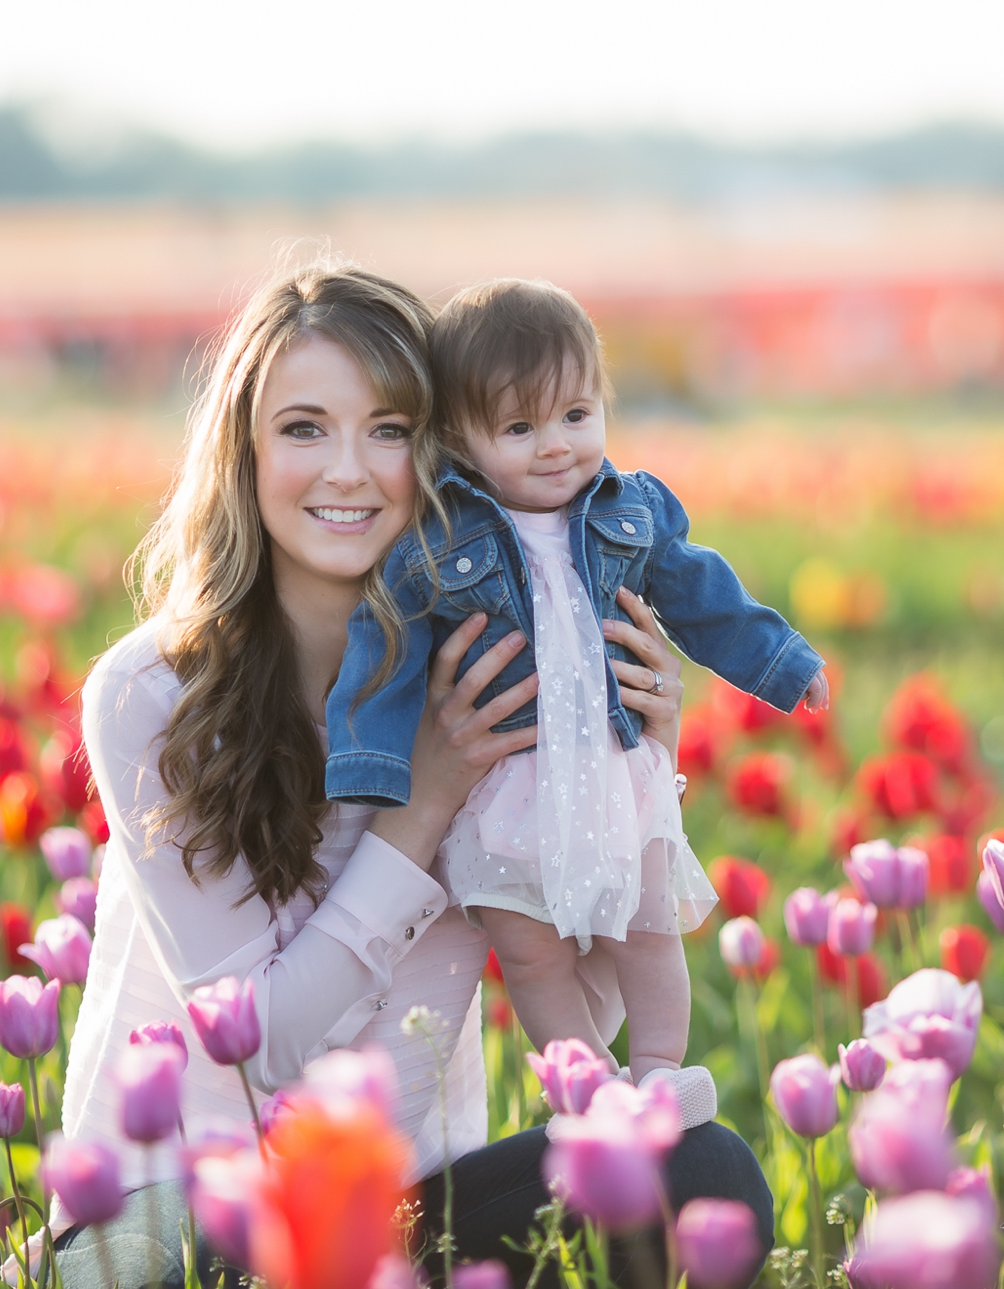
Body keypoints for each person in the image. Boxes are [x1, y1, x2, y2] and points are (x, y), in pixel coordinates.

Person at [56, 261, 773, 1289]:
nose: (347, 468)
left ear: (445, 457)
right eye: (304, 427)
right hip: (178, 1197)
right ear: (244, 451)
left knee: (698, 1169)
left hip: (401, 1207)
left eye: (388, 429)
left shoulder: (485, 668)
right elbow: (260, 1051)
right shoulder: (156, 693)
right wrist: (424, 799)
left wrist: (631, 772)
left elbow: (588, 1008)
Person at [326, 278, 828, 1102]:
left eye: (576, 416)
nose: (554, 445)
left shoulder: (630, 512)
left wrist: (783, 665)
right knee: (529, 952)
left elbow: (704, 596)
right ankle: (587, 1089)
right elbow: (384, 650)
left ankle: (663, 1069)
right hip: (508, 790)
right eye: (518, 428)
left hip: (614, 771)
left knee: (648, 925)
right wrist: (369, 764)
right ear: (458, 439)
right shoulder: (437, 541)